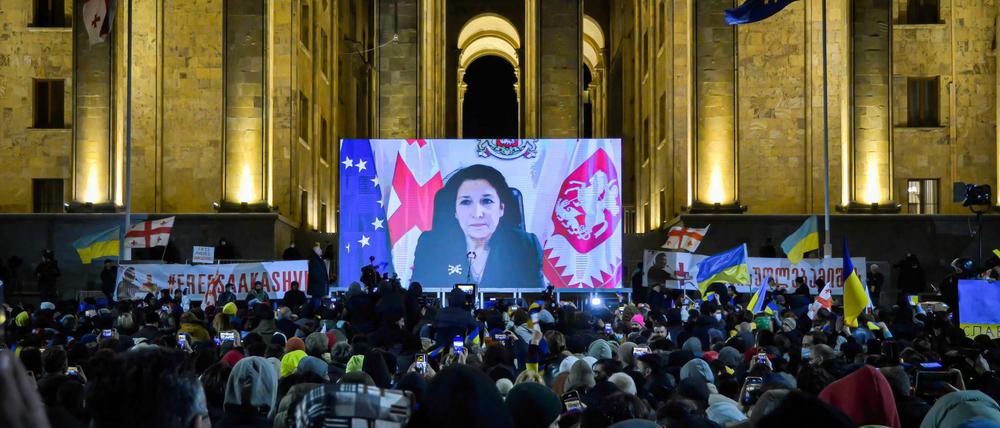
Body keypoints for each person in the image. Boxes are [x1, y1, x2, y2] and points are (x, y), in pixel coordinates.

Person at [411, 164, 543, 289]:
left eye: (487, 201)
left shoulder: (526, 246)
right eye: (466, 202)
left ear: (501, 208)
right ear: (455, 212)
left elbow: (535, 298)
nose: (477, 213)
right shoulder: (431, 245)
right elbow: (421, 294)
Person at [307, 243, 329, 308]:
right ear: (316, 251)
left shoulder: (317, 260)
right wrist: (321, 282)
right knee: (317, 303)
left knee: (318, 302)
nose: (321, 251)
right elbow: (317, 274)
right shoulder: (315, 261)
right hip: (317, 288)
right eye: (319, 250)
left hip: (318, 287)